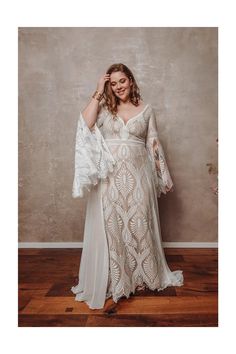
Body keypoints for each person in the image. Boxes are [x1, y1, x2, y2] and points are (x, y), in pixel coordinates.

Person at [71, 63, 184, 310]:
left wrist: (163, 177)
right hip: (109, 178)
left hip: (139, 177)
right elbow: (85, 125)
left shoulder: (146, 109)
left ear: (131, 81)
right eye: (113, 83)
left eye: (122, 81)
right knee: (113, 226)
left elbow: (153, 144)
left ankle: (142, 276)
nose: (118, 86)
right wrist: (98, 90)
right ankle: (117, 281)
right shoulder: (102, 107)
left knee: (139, 224)